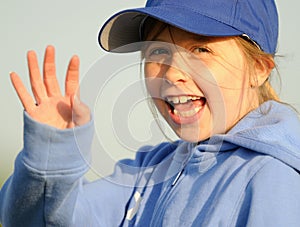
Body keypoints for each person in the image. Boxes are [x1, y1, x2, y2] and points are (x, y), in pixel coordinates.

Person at [1, 0, 300, 226]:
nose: (172, 73)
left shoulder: (274, 176)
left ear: (259, 69)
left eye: (200, 50)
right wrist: (50, 156)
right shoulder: (150, 171)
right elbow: (43, 221)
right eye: (158, 51)